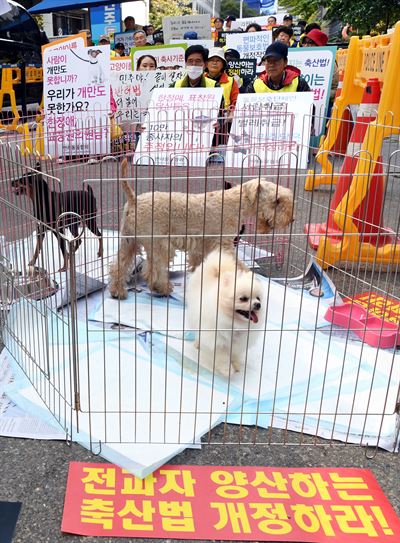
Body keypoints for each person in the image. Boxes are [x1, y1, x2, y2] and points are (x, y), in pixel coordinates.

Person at [246, 41, 311, 93]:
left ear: (285, 62)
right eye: (268, 61)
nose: (271, 65)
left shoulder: (298, 83)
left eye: (275, 61)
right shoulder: (255, 84)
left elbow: (310, 108)